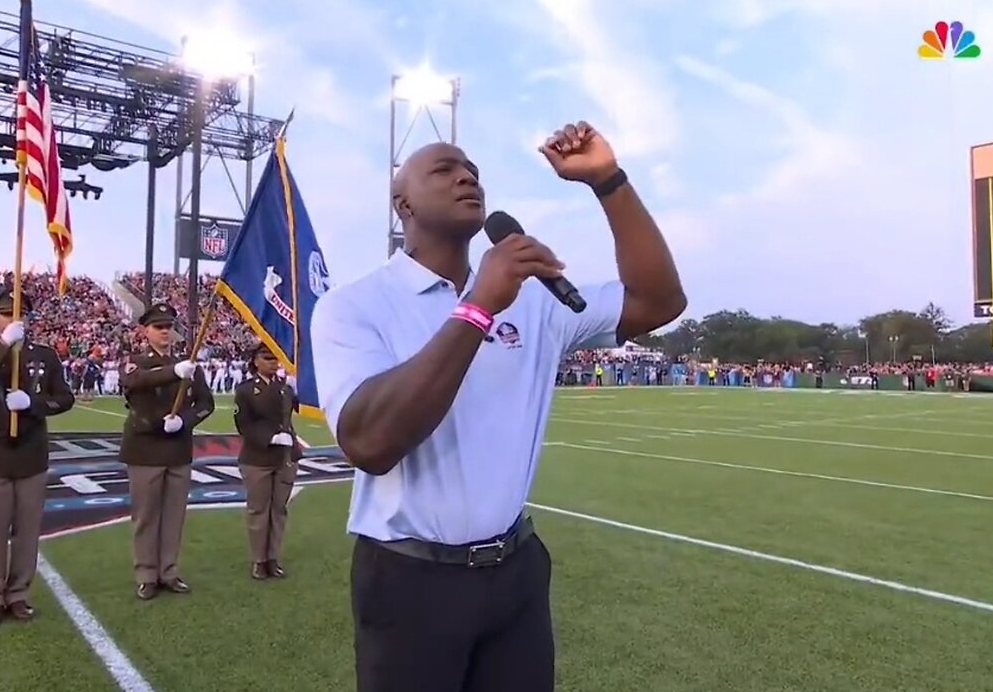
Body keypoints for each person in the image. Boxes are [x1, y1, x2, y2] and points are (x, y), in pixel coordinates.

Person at [311, 122, 687, 692]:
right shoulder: (354, 305)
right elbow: (369, 443)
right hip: (410, 577)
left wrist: (607, 181)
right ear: (402, 202)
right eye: (444, 169)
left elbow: (659, 300)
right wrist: (479, 305)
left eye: (473, 171)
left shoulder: (535, 299)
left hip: (514, 571)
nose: (467, 176)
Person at [0, 290, 75, 627]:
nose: (15, 319)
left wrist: (34, 404)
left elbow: (64, 398)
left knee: (28, 530)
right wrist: (3, 347)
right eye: (7, 314)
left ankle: (19, 593)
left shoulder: (45, 355)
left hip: (30, 451)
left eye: (21, 313)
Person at [119, 303, 214, 600]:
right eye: (158, 327)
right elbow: (135, 382)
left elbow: (205, 404)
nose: (164, 331)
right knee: (146, 516)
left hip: (177, 448)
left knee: (174, 516)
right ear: (145, 330)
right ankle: (146, 574)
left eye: (168, 327)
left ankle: (168, 571)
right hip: (145, 449)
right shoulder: (137, 361)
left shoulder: (188, 365)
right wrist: (173, 371)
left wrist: (184, 421)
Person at [232, 341, 301, 580]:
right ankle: (259, 560)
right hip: (258, 456)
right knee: (259, 509)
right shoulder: (246, 390)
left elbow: (300, 409)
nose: (273, 362)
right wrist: (270, 437)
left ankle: (273, 557)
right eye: (267, 358)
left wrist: (298, 391)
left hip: (285, 457)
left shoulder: (286, 387)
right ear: (256, 361)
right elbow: (244, 424)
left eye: (275, 358)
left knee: (279, 509)